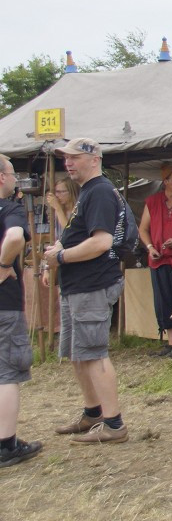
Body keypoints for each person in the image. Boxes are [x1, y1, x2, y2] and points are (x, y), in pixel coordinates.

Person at [43, 138, 129, 444]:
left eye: (74, 157)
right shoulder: (89, 193)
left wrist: (62, 256)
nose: (68, 163)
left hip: (93, 285)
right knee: (79, 354)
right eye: (66, 158)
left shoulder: (101, 192)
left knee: (93, 354)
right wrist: (57, 254)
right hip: (77, 285)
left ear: (94, 159)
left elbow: (101, 242)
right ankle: (93, 413)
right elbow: (78, 236)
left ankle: (114, 423)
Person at [0, 154, 41, 468]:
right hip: (4, 303)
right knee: (7, 374)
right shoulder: (9, 208)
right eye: (13, 174)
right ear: (2, 178)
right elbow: (15, 236)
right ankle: (6, 444)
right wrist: (3, 265)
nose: (16, 180)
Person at [138, 163, 172, 356]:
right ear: (166, 182)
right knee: (164, 301)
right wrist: (150, 247)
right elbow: (143, 229)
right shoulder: (153, 201)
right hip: (159, 259)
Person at [32, 176, 77, 334]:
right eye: (55, 192)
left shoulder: (76, 210)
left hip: (75, 260)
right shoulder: (59, 212)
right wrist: (46, 268)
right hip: (60, 261)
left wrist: (57, 208)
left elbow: (69, 232)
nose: (57, 196)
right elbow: (55, 241)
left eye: (61, 192)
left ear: (70, 191)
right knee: (63, 299)